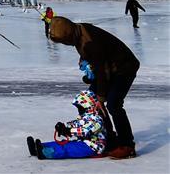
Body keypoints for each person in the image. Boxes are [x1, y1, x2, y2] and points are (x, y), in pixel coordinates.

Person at [49, 16, 139, 159]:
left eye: (64, 42)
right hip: (109, 67)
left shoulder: (90, 42)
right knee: (93, 101)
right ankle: (109, 138)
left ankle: (127, 145)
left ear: (69, 36)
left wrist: (101, 96)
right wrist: (90, 75)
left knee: (113, 104)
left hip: (124, 67)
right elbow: (97, 64)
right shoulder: (80, 30)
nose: (66, 45)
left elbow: (102, 70)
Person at [27, 90, 106, 159]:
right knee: (63, 143)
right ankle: (39, 147)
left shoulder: (97, 119)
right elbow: (76, 124)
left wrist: (69, 131)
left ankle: (45, 153)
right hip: (82, 143)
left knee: (67, 148)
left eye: (80, 108)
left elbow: (85, 131)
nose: (79, 110)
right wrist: (64, 126)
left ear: (87, 107)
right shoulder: (85, 117)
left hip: (93, 147)